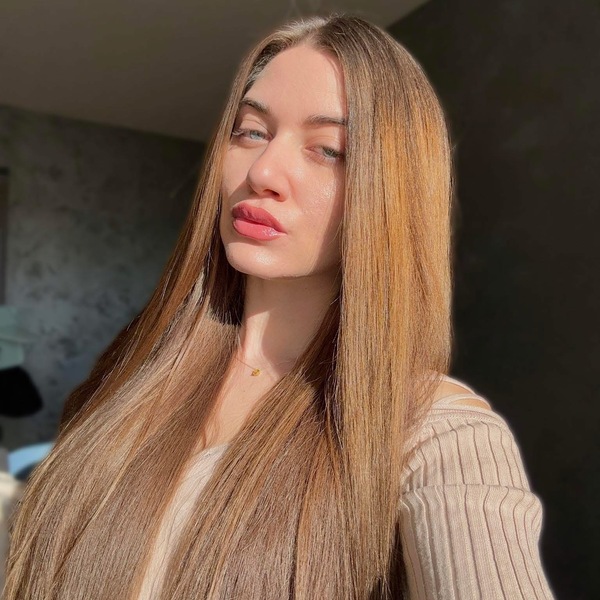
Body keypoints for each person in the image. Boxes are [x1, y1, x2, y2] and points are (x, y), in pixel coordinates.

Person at [3, 14, 555, 600]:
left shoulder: (434, 433)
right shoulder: (135, 373)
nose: (263, 172)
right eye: (250, 133)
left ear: (393, 190)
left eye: (329, 149)